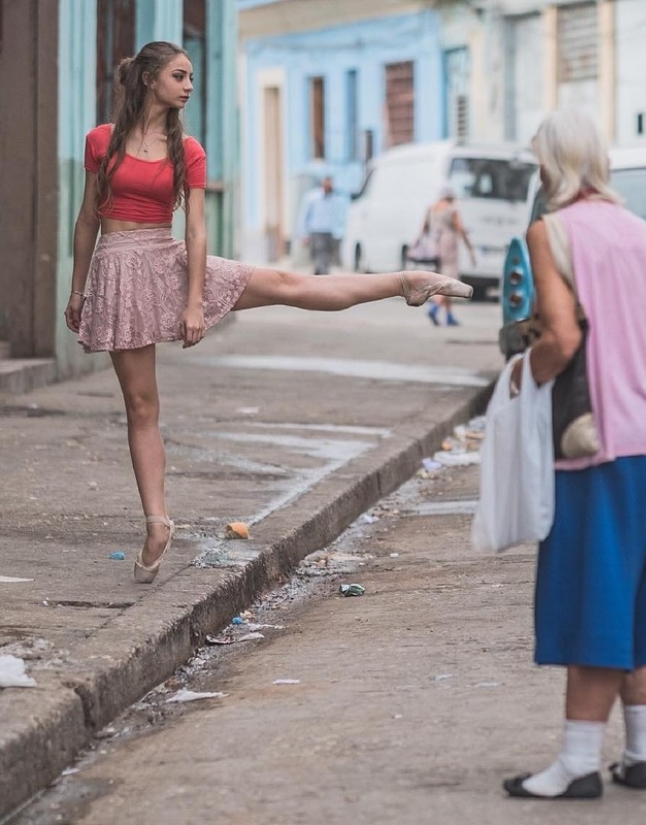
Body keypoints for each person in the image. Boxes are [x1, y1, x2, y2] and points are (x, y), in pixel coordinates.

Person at [63, 41, 471, 585]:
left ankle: (406, 281)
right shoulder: (101, 142)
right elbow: (88, 217)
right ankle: (157, 523)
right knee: (141, 405)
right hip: (116, 272)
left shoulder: (187, 148)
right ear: (147, 79)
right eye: (180, 76)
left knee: (285, 282)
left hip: (170, 261)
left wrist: (193, 303)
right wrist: (77, 290)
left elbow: (197, 230)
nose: (188, 85)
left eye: (191, 77)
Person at [503, 108, 646, 800]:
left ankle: (577, 762)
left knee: (596, 600)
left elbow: (558, 337)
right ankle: (641, 753)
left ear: (549, 167)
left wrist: (519, 378)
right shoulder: (638, 231)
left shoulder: (548, 231)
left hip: (599, 445)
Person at [415, 185, 475, 326]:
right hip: (448, 245)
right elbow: (460, 229)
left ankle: (449, 316)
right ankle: (434, 307)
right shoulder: (452, 210)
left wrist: (416, 244)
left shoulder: (431, 208)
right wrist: (470, 248)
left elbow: (423, 228)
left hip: (433, 245)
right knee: (449, 280)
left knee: (439, 279)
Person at [300, 176, 342, 275]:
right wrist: (303, 234)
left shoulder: (334, 199)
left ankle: (318, 277)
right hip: (316, 232)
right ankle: (322, 278)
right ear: (323, 184)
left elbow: (338, 216)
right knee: (320, 257)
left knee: (327, 258)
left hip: (329, 233)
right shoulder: (313, 198)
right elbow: (304, 217)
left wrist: (339, 232)